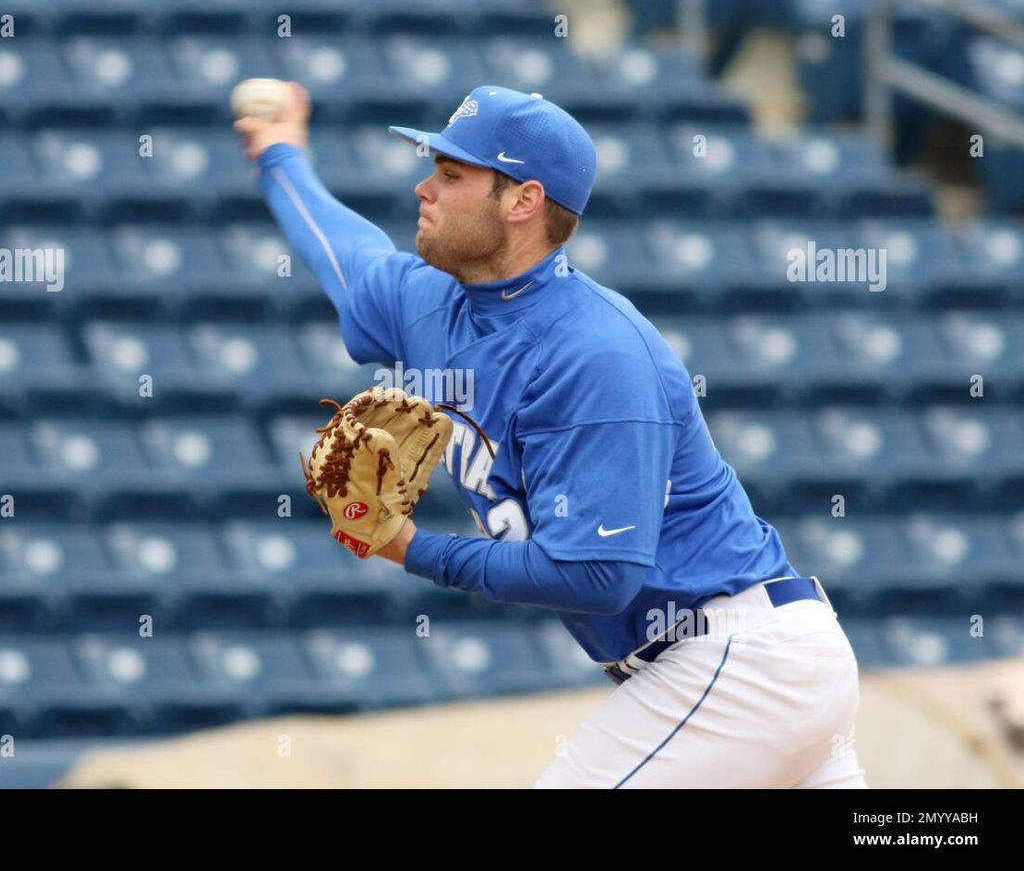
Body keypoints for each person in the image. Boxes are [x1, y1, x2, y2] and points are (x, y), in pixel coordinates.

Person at [234, 83, 867, 788]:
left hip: (740, 660)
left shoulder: (597, 352)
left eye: (450, 175)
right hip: (743, 674)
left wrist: (410, 548)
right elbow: (341, 254)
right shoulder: (429, 302)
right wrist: (280, 154)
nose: (423, 188)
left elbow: (600, 574)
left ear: (523, 202)